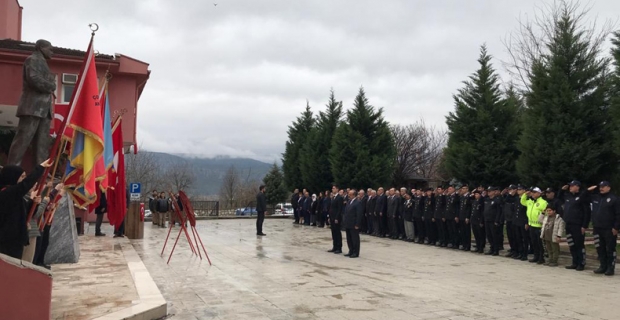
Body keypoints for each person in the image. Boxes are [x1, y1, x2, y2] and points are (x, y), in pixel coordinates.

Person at [7, 40, 56, 166]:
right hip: (32, 107)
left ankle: (39, 174)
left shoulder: (43, 63)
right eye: (49, 49)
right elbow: (33, 79)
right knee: (22, 141)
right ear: (40, 48)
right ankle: (11, 171)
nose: (52, 52)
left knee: (42, 145)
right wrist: (51, 85)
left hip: (44, 110)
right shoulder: (32, 59)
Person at [0, 158, 52, 259]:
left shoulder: (16, 195)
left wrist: (34, 203)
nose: (23, 179)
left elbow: (26, 213)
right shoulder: (6, 193)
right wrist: (40, 168)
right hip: (6, 240)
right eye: (22, 177)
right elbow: (25, 185)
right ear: (13, 177)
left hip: (16, 239)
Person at [587, 181, 620, 275]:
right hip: (597, 227)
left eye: (604, 186)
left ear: (609, 188)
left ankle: (610, 268)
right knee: (599, 248)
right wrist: (588, 190)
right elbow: (583, 198)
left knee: (610, 248)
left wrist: (616, 227)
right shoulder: (596, 197)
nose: (601, 188)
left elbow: (618, 214)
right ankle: (602, 266)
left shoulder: (614, 199)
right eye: (600, 186)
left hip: (609, 228)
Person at [559, 180, 590, 271]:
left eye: (572, 186)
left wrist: (584, 225)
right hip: (569, 224)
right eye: (570, 186)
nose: (570, 187)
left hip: (578, 225)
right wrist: (562, 190)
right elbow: (559, 198)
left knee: (579, 245)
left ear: (577, 187)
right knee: (571, 244)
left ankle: (581, 263)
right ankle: (574, 262)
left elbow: (587, 212)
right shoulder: (568, 196)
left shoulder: (582, 197)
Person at [522, 187, 547, 264]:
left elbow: (545, 213)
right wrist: (525, 194)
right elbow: (522, 202)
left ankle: (541, 257)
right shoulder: (530, 201)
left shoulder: (543, 202)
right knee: (534, 242)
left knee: (539, 243)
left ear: (539, 193)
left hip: (539, 225)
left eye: (535, 192)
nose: (533, 194)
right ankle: (536, 256)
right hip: (531, 225)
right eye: (532, 192)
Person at [343, 189, 364, 258]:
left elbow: (359, 214)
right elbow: (346, 212)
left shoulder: (358, 202)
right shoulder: (349, 201)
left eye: (350, 194)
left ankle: (355, 252)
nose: (348, 195)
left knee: (355, 239)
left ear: (354, 195)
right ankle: (351, 250)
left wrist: (357, 224)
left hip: (354, 224)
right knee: (349, 238)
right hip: (348, 223)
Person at [483, 187, 502, 256]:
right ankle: (492, 248)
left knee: (494, 235)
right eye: (488, 191)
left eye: (490, 191)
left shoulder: (497, 200)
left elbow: (498, 211)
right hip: (487, 219)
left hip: (493, 220)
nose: (489, 193)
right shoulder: (487, 200)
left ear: (494, 192)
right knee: (489, 235)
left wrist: (497, 220)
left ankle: (496, 250)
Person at [513, 185, 529, 261]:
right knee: (518, 238)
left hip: (523, 221)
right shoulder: (516, 198)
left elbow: (527, 212)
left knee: (524, 238)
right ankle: (520, 252)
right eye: (518, 189)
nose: (518, 191)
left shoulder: (527, 199)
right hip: (517, 221)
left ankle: (525, 254)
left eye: (520, 189)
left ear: (524, 190)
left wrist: (526, 222)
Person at [502, 185, 518, 258]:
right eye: (509, 190)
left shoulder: (516, 197)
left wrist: (511, 195)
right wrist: (509, 195)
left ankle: (516, 251)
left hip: (514, 219)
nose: (510, 191)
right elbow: (505, 201)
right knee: (510, 236)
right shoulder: (509, 197)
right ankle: (512, 249)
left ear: (515, 190)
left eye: (511, 189)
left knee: (515, 236)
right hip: (508, 219)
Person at [328, 185, 344, 254]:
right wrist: (329, 217)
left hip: (336, 218)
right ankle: (334, 246)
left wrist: (337, 218)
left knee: (337, 232)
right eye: (332, 188)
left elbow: (339, 209)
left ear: (337, 189)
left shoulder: (339, 198)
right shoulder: (333, 197)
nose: (332, 189)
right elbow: (331, 208)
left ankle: (339, 247)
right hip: (332, 217)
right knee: (333, 232)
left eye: (334, 188)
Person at [458, 185, 471, 250]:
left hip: (465, 217)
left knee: (467, 232)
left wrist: (467, 217)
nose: (462, 190)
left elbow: (469, 208)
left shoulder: (469, 197)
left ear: (467, 189)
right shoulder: (462, 197)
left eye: (464, 189)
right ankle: (464, 244)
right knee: (462, 231)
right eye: (462, 188)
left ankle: (467, 245)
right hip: (461, 216)